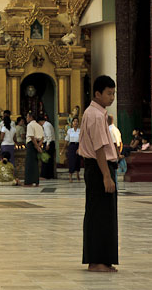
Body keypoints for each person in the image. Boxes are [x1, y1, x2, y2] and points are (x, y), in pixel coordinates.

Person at [78, 75, 119, 273]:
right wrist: (106, 176)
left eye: (113, 93)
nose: (112, 97)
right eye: (109, 93)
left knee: (105, 215)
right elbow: (100, 148)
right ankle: (96, 261)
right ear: (97, 94)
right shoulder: (94, 115)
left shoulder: (97, 113)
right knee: (99, 215)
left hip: (99, 167)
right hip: (98, 168)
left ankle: (104, 259)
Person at [24, 112, 44, 186]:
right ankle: (36, 181)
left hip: (32, 145)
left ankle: (29, 182)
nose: (26, 118)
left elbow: (32, 137)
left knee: (29, 164)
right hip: (37, 144)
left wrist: (36, 146)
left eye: (27, 117)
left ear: (30, 117)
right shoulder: (39, 126)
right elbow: (42, 138)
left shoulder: (30, 125)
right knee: (35, 164)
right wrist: (39, 145)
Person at [63, 116, 81, 182]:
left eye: (76, 121)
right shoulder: (70, 130)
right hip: (72, 146)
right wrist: (63, 149)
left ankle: (77, 174)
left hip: (78, 145)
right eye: (74, 121)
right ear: (72, 123)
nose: (75, 123)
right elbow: (67, 140)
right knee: (71, 161)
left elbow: (82, 140)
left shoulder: (80, 130)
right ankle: (70, 177)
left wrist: (80, 148)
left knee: (77, 161)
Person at [40, 113, 56, 179]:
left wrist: (47, 144)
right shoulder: (48, 124)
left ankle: (45, 175)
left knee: (46, 159)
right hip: (49, 143)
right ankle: (49, 175)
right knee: (49, 160)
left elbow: (49, 135)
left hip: (48, 143)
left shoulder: (46, 125)